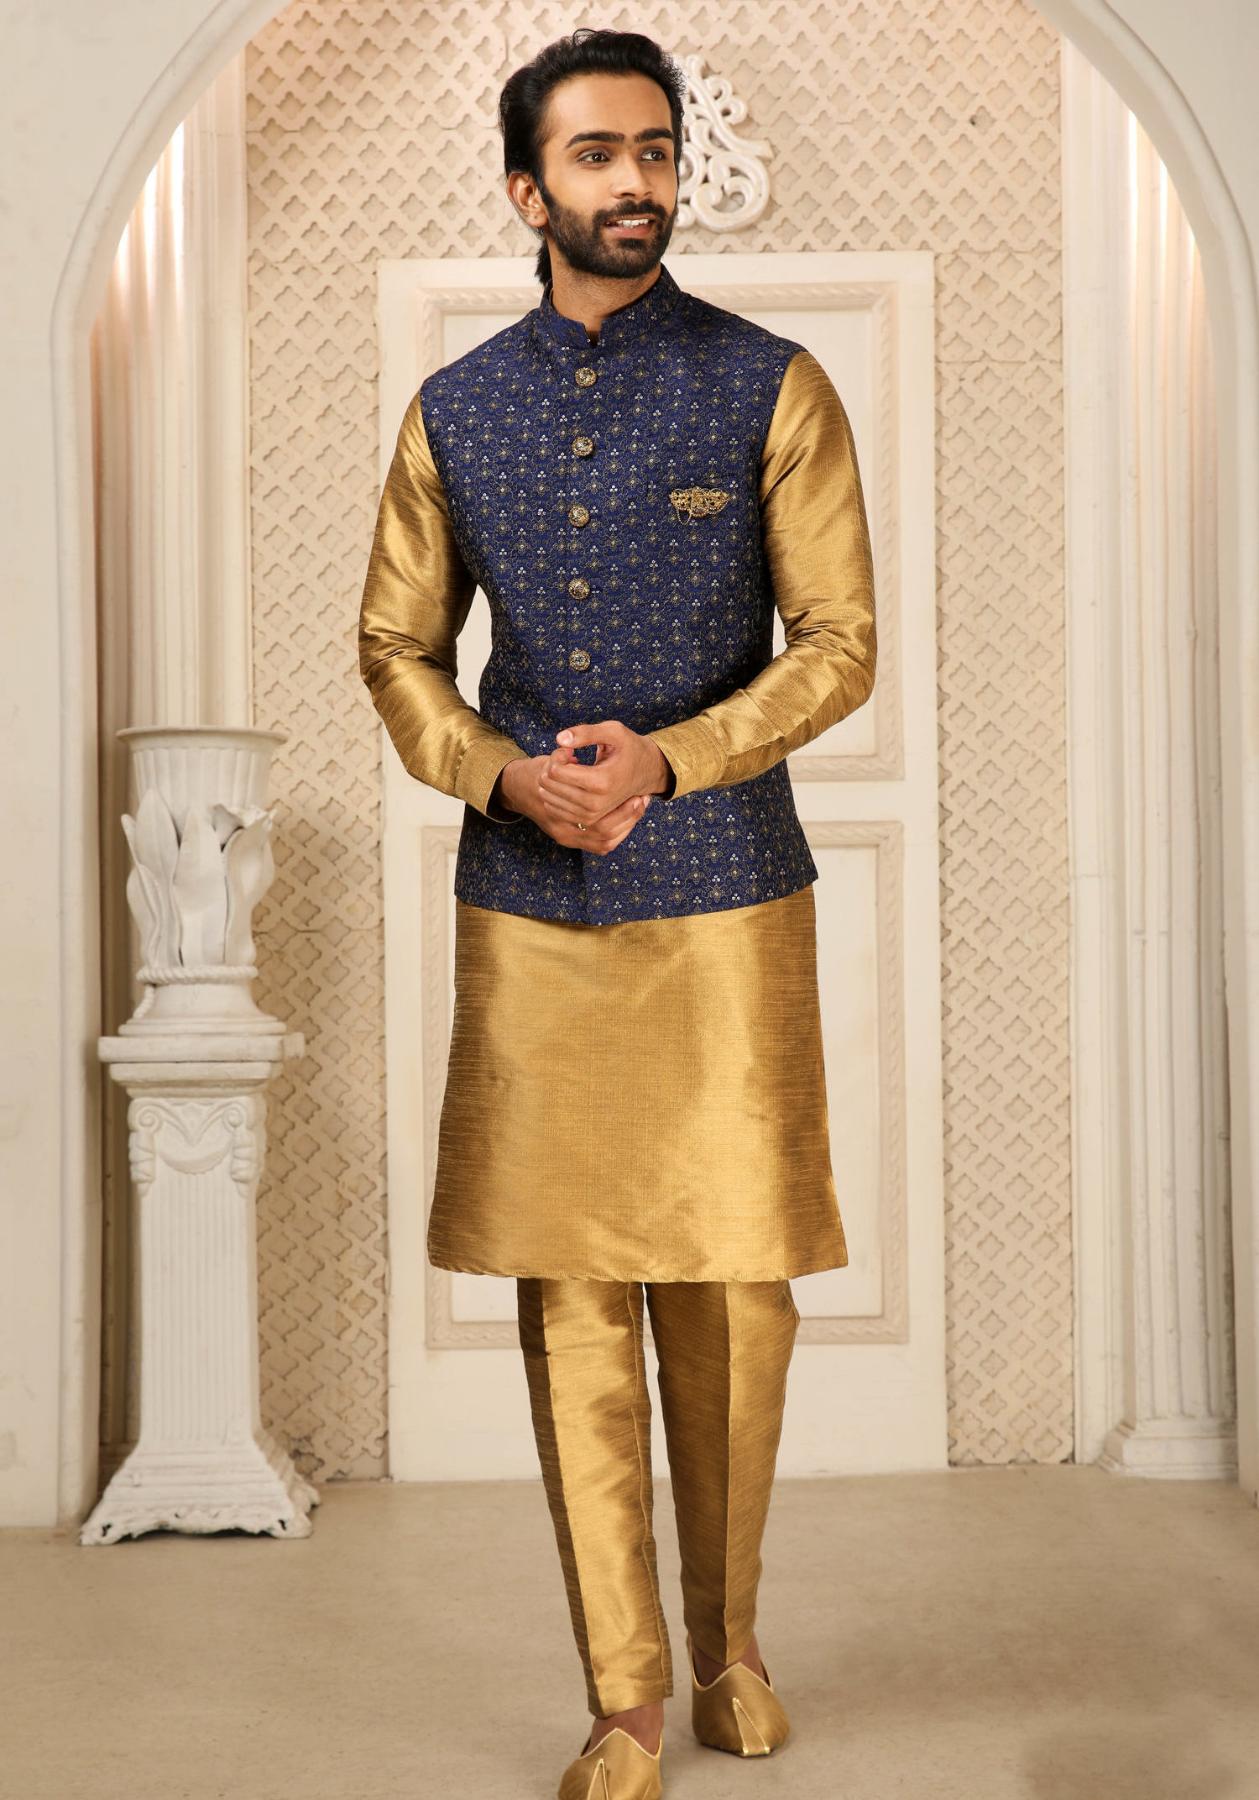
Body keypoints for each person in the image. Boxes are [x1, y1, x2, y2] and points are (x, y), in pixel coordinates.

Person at [357, 27, 877, 1800]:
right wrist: (506, 776)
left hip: (727, 892)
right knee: (572, 1288)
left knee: (731, 1285)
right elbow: (397, 650)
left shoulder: (773, 386)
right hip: (532, 898)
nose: (635, 182)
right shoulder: (454, 412)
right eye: (596, 155)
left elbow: (841, 647)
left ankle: (729, 1644)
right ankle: (626, 1697)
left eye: (654, 151)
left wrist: (671, 759)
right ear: (531, 189)